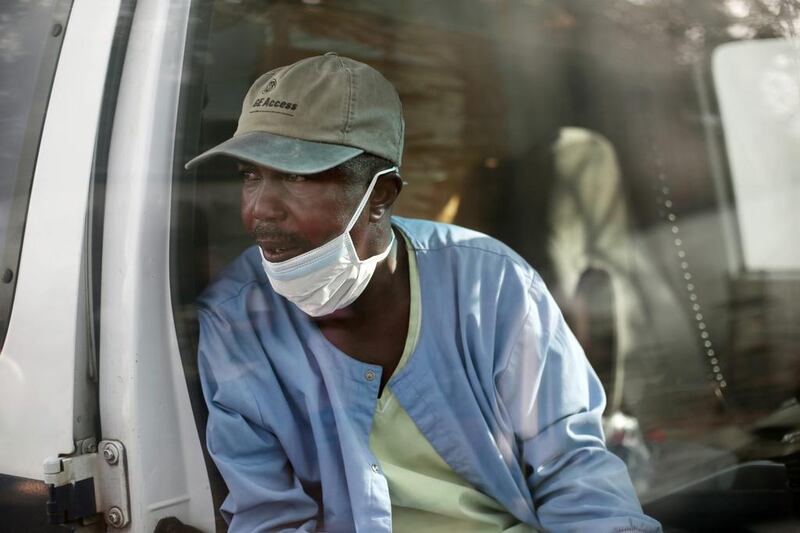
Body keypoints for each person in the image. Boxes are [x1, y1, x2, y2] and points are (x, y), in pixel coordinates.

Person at [185, 53, 662, 533]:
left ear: (381, 195)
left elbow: (574, 469)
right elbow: (269, 518)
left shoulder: (489, 283)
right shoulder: (236, 322)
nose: (260, 209)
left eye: (294, 176)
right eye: (251, 176)